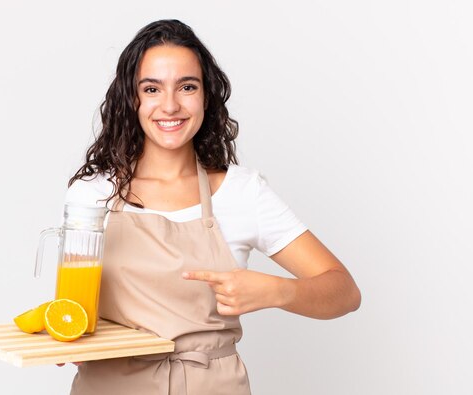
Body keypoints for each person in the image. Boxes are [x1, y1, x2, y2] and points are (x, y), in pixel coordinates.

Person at [61, 19, 361, 395]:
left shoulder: (242, 193)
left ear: (206, 96)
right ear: (130, 99)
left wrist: (276, 292)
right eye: (151, 88)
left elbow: (345, 291)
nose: (170, 105)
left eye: (187, 86)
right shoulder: (93, 193)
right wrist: (70, 332)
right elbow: (74, 300)